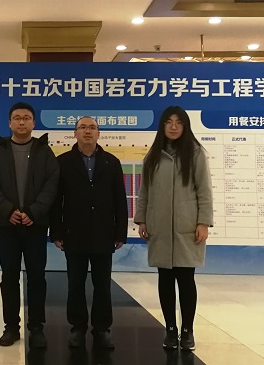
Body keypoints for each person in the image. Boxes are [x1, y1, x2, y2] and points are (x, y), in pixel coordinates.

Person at [134, 106, 213, 351]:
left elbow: (204, 191)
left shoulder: (196, 154)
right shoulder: (153, 156)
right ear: (162, 126)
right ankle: (170, 329)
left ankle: (187, 331)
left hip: (187, 227)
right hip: (159, 226)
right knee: (165, 280)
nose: (174, 127)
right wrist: (142, 219)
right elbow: (145, 191)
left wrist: (203, 222)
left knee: (186, 280)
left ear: (185, 126)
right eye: (169, 122)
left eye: (179, 122)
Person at [50, 116, 128, 349]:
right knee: (75, 283)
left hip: (104, 233)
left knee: (102, 284)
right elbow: (56, 200)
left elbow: (120, 200)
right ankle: (77, 327)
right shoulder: (62, 162)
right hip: (74, 233)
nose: (87, 131)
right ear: (74, 134)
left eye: (92, 127)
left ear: (98, 134)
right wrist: (56, 231)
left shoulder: (111, 162)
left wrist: (120, 232)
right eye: (82, 127)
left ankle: (102, 329)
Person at [0, 102, 59, 348]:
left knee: (37, 277)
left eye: (26, 118)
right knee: (9, 277)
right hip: (7, 225)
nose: (21, 122)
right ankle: (11, 327)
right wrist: (7, 210)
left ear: (33, 123)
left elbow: (51, 184)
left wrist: (33, 212)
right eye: (16, 118)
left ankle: (36, 327)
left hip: (35, 225)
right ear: (9, 123)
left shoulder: (44, 151)